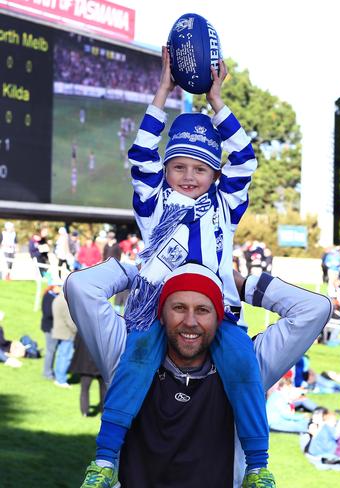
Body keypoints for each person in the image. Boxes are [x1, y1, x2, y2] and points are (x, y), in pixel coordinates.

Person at [78, 48, 272, 486]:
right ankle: (106, 459)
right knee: (135, 363)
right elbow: (141, 155)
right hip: (159, 314)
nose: (188, 175)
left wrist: (217, 101)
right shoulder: (153, 204)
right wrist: (162, 92)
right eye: (178, 166)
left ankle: (258, 466)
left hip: (217, 313)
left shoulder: (226, 203)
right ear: (166, 170)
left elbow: (245, 160)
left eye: (200, 168)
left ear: (214, 173)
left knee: (243, 368)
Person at [65, 259, 332, 487]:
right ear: (161, 315)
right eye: (179, 307)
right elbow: (80, 287)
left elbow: (314, 309)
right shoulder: (125, 354)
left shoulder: (251, 365)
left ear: (219, 318)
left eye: (203, 310)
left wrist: (245, 286)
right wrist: (145, 271)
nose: (190, 321)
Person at [69, 333, 107, 417]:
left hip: (85, 364)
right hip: (101, 364)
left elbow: (75, 344)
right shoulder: (104, 329)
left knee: (84, 389)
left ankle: (84, 412)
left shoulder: (82, 328)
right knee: (104, 389)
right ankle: (103, 410)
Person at [52, 290, 77, 388]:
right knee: (66, 356)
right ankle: (61, 380)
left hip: (59, 331)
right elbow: (69, 320)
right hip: (67, 333)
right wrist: (77, 330)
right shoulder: (65, 301)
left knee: (60, 355)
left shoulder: (57, 299)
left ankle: (58, 377)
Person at [40, 281, 63, 380]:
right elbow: (48, 313)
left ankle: (49, 371)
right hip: (50, 327)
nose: (61, 288)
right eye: (59, 286)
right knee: (51, 350)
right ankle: (47, 373)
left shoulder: (54, 296)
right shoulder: (48, 296)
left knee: (53, 350)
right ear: (54, 286)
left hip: (54, 327)